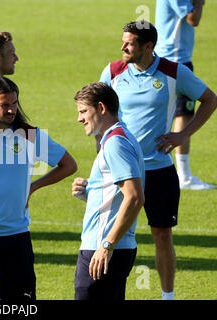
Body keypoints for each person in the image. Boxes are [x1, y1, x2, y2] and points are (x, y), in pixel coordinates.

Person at [99, 21, 217, 300]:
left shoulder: (174, 72)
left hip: (159, 171)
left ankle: (168, 296)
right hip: (123, 171)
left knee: (162, 235)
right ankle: (108, 292)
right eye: (123, 41)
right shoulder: (113, 71)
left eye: (129, 43)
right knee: (112, 236)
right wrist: (101, 149)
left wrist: (182, 135)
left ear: (148, 46)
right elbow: (96, 109)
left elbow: (210, 100)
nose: (122, 47)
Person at [0, 77, 77, 300]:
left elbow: (69, 165)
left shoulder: (30, 135)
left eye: (14, 103)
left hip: (16, 237)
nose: (11, 110)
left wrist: (33, 186)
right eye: (5, 105)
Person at [71, 82, 145, 300]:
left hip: (102, 249)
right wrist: (90, 190)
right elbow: (120, 194)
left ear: (101, 108)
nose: (79, 118)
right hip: (112, 248)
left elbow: (134, 198)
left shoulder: (115, 144)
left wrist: (106, 245)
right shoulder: (120, 137)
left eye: (84, 111)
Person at [155, 0, 212, 190]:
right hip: (175, 60)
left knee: (173, 114)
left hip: (171, 59)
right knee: (183, 115)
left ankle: (176, 173)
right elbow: (193, 18)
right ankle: (183, 175)